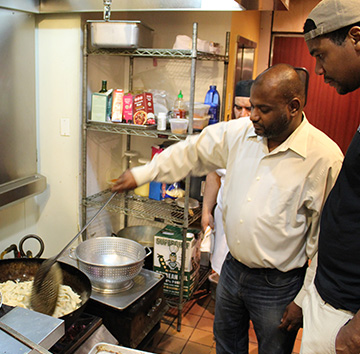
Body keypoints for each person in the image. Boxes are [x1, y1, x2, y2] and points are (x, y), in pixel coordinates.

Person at [112, 63, 343, 354]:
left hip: (278, 285)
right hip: (233, 270)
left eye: (264, 109)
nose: (253, 116)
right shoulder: (240, 133)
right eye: (251, 106)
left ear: (293, 107)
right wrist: (143, 173)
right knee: (227, 346)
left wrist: (303, 299)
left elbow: (325, 241)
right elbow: (192, 150)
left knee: (273, 351)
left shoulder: (324, 158)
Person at [299, 1, 360, 353]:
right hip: (332, 298)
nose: (318, 70)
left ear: (356, 37)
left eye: (321, 55)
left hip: (349, 316)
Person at [201, 79, 254, 276]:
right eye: (238, 108)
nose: (243, 114)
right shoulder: (225, 135)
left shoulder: (266, 139)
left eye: (249, 108)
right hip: (224, 222)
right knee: (222, 272)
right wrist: (206, 211)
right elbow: (214, 174)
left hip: (251, 230)